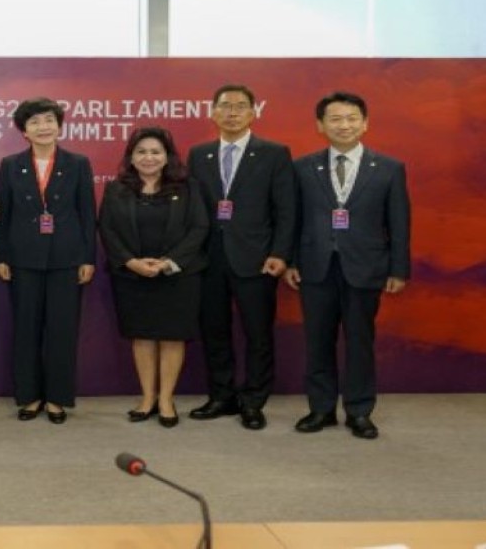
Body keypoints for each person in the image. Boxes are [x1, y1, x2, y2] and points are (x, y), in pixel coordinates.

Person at [284, 91, 410, 440]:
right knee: (318, 341)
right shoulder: (303, 167)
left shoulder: (388, 168)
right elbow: (293, 218)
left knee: (360, 342)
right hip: (315, 266)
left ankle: (359, 411)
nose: (344, 125)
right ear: (320, 125)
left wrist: (398, 269)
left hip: (365, 267)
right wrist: (292, 260)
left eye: (352, 118)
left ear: (365, 123)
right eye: (335, 118)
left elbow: (399, 223)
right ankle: (321, 409)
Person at [186, 85, 295, 431]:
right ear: (212, 112)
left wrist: (280, 253)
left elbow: (286, 210)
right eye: (225, 106)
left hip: (257, 257)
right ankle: (222, 396)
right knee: (214, 331)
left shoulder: (274, 153)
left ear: (253, 113)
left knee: (258, 333)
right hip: (209, 259)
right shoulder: (198, 154)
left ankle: (253, 401)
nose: (232, 112)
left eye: (240, 106)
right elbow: (192, 209)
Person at [0, 97, 96, 425]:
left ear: (59, 124)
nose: (43, 127)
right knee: (26, 330)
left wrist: (87, 257)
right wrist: (2, 256)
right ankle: (29, 397)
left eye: (49, 120)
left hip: (67, 258)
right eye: (34, 122)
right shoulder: (11, 164)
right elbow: (2, 215)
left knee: (62, 331)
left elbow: (87, 214)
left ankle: (57, 398)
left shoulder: (78, 163)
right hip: (23, 258)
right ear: (24, 130)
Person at [98, 126, 208, 428]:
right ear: (131, 157)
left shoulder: (188, 188)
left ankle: (166, 399)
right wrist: (131, 262)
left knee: (173, 338)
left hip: (177, 275)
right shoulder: (116, 189)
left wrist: (168, 263)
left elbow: (199, 228)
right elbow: (107, 228)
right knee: (143, 337)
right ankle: (147, 397)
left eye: (156, 152)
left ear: (167, 156)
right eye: (142, 151)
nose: (149, 157)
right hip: (132, 276)